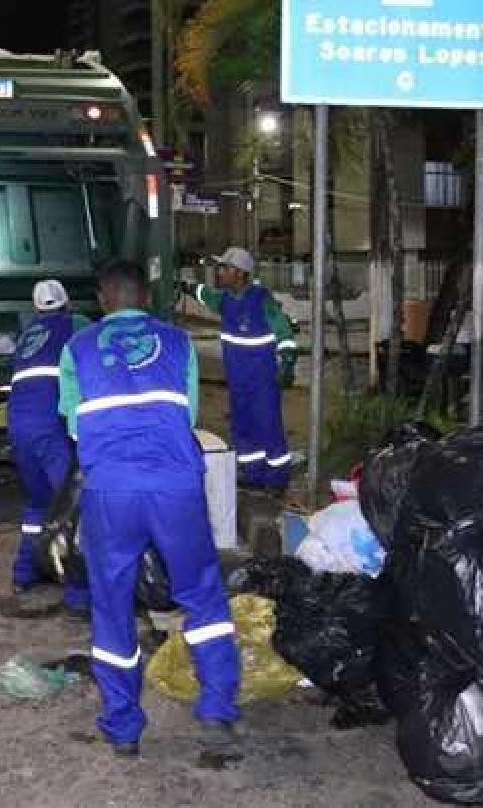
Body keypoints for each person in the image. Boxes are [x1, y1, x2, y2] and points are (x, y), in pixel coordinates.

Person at [59, 260, 241, 757]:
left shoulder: (77, 348)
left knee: (112, 604)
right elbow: (189, 414)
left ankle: (123, 729)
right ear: (145, 296)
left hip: (111, 492)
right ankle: (218, 715)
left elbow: (74, 427)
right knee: (202, 596)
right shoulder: (178, 342)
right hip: (174, 485)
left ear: (103, 299)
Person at [8, 279, 90, 612]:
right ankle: (78, 593)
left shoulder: (28, 335)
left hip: (18, 426)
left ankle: (24, 573)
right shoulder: (76, 324)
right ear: (66, 304)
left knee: (40, 500)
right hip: (50, 426)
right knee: (72, 506)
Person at [184, 247, 296, 490]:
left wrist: (287, 362)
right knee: (243, 426)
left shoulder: (261, 300)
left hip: (263, 380)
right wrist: (186, 286)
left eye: (223, 268)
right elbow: (205, 294)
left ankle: (277, 477)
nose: (219, 272)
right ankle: (254, 473)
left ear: (239, 273)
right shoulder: (224, 300)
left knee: (267, 425)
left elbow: (284, 333)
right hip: (238, 380)